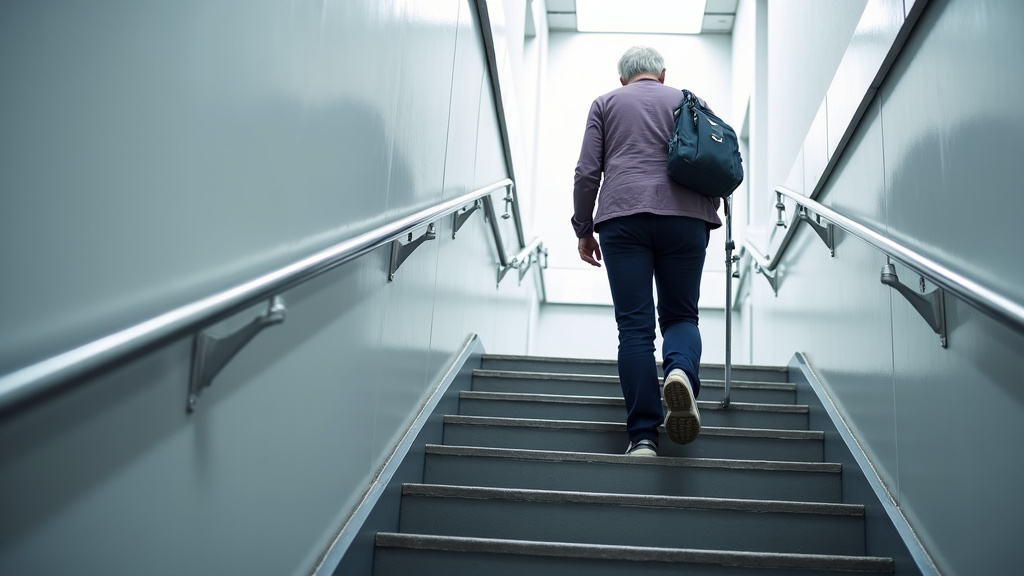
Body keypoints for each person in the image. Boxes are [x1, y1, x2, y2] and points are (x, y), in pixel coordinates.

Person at [571, 46, 722, 457]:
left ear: (623, 80)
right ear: (662, 73)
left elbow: (587, 172)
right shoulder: (688, 100)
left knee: (635, 329)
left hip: (623, 218)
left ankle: (642, 438)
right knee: (680, 316)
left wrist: (584, 229)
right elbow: (715, 157)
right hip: (687, 217)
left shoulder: (605, 103)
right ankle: (679, 372)